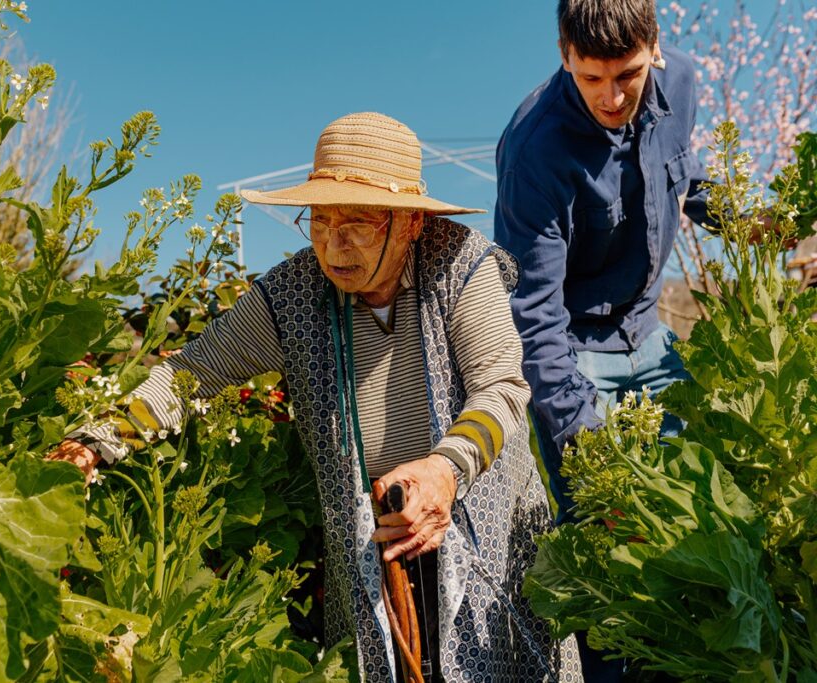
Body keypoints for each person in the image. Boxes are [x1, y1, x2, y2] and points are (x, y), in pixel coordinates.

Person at [54, 112, 582, 681]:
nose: (333, 246)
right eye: (320, 221)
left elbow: (500, 387)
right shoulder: (290, 294)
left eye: (356, 223)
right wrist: (93, 442)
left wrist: (444, 470)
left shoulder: (461, 264)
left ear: (409, 224)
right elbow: (192, 372)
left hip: (481, 522)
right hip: (372, 546)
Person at [493, 0, 711, 679]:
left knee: (693, 509)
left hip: (647, 330)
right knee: (606, 538)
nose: (611, 97)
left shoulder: (681, 83)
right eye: (591, 78)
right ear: (564, 55)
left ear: (655, 50)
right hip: (573, 344)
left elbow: (691, 179)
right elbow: (534, 317)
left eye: (628, 75)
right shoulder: (536, 146)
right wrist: (584, 444)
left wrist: (750, 217)